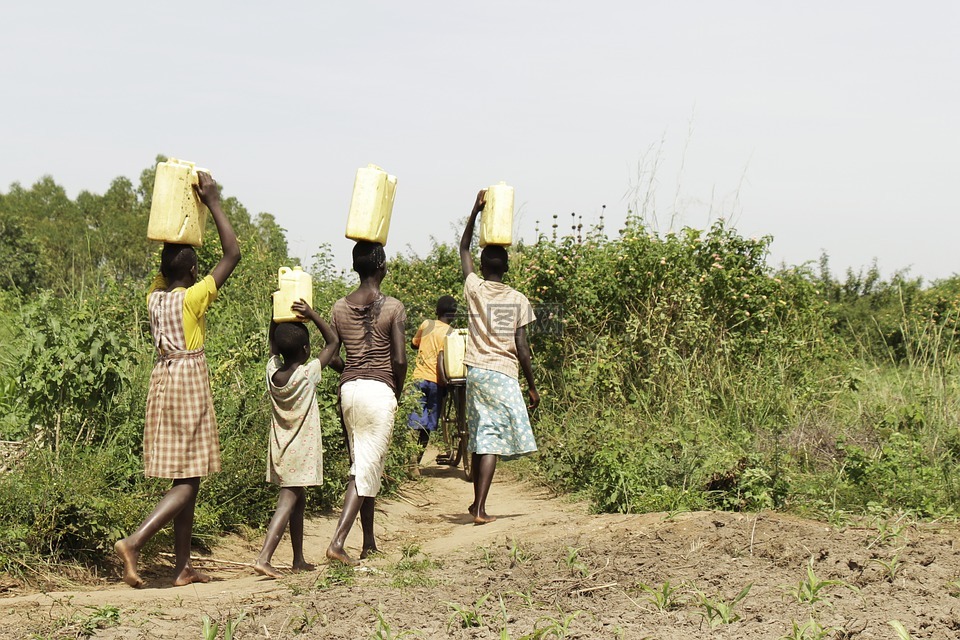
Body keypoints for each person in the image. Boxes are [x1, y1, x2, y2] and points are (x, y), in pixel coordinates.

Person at [115, 172, 241, 588]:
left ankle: (182, 565)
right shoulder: (193, 297)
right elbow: (233, 253)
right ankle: (134, 542)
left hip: (163, 381)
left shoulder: (155, 296)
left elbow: (166, 265)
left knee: (184, 476)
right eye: (195, 264)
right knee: (190, 480)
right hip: (188, 382)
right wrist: (214, 203)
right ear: (191, 269)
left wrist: (177, 216)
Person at [459, 190, 539, 525]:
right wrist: (532, 386)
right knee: (489, 438)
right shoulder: (517, 299)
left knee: (480, 435)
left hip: (476, 371)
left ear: (482, 265)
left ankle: (475, 504)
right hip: (503, 372)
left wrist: (475, 212)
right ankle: (479, 508)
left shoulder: (474, 288)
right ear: (506, 267)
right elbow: (521, 346)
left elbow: (463, 248)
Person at [325, 241, 407, 565]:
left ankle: (368, 541)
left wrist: (349, 370)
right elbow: (399, 359)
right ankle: (337, 541)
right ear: (383, 266)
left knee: (363, 464)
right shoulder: (393, 308)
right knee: (365, 468)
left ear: (356, 267)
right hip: (378, 391)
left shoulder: (338, 308)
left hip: (350, 391)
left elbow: (330, 352)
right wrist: (395, 391)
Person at [253, 300, 340, 579]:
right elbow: (333, 342)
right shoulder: (307, 374)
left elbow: (271, 345)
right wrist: (312, 314)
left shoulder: (272, 374)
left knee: (297, 501)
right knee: (287, 503)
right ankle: (264, 558)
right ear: (305, 350)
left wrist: (276, 314)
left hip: (281, 450)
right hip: (300, 452)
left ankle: (298, 559)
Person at [407, 296, 458, 456]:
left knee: (414, 421)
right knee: (428, 424)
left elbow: (414, 344)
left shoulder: (426, 324)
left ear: (436, 311)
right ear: (454, 314)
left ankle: (410, 458)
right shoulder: (451, 333)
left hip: (419, 378)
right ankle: (418, 457)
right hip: (437, 382)